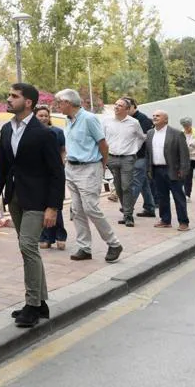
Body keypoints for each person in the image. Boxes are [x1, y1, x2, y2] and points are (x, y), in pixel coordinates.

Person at [0, 83, 64, 328]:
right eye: (9, 95)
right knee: (28, 249)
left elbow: (56, 173)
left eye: (14, 96)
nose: (8, 99)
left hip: (37, 199)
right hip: (15, 198)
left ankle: (31, 305)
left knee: (28, 245)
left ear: (28, 102)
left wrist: (53, 207)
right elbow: (2, 165)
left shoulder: (43, 134)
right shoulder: (7, 130)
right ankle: (41, 303)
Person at [55, 89, 122, 263]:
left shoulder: (89, 119)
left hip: (89, 168)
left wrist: (101, 165)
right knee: (77, 211)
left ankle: (113, 243)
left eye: (59, 102)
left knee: (91, 208)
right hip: (72, 168)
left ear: (68, 103)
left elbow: (103, 144)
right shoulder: (68, 121)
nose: (57, 106)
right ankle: (84, 247)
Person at [144, 110, 189, 231]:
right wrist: (148, 169)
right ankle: (165, 220)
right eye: (153, 116)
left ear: (165, 119)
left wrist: (183, 170)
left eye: (158, 116)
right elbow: (148, 153)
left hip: (173, 170)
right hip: (157, 170)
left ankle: (183, 222)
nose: (154, 117)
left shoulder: (176, 133)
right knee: (162, 197)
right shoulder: (149, 133)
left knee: (178, 197)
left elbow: (184, 154)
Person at [105, 98, 146, 226]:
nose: (116, 107)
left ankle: (128, 215)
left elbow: (141, 137)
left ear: (127, 109)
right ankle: (126, 212)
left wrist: (135, 149)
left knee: (126, 186)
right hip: (111, 158)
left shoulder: (134, 122)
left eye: (120, 105)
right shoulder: (106, 121)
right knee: (118, 187)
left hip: (127, 158)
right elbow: (102, 138)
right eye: (116, 104)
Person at [34, 106, 68, 250]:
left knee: (55, 206)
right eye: (40, 116)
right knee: (40, 206)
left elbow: (62, 151)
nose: (43, 118)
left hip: (54, 174)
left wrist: (60, 167)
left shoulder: (57, 132)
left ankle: (60, 235)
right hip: (38, 175)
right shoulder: (32, 132)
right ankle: (45, 237)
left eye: (45, 116)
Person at [123, 96, 157, 219]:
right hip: (132, 155)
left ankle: (127, 207)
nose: (125, 109)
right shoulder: (127, 119)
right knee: (143, 183)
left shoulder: (143, 120)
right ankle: (149, 207)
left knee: (135, 182)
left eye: (128, 107)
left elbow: (143, 139)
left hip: (140, 155)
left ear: (134, 106)